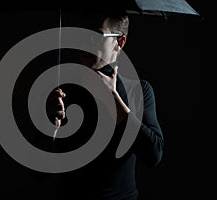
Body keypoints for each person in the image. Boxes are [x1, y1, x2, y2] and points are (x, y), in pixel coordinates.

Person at [46, 9, 164, 200]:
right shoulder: (64, 93)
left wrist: (114, 101)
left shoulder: (138, 91)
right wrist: (52, 127)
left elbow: (154, 155)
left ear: (120, 42)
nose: (85, 43)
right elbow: (41, 174)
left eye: (95, 36)